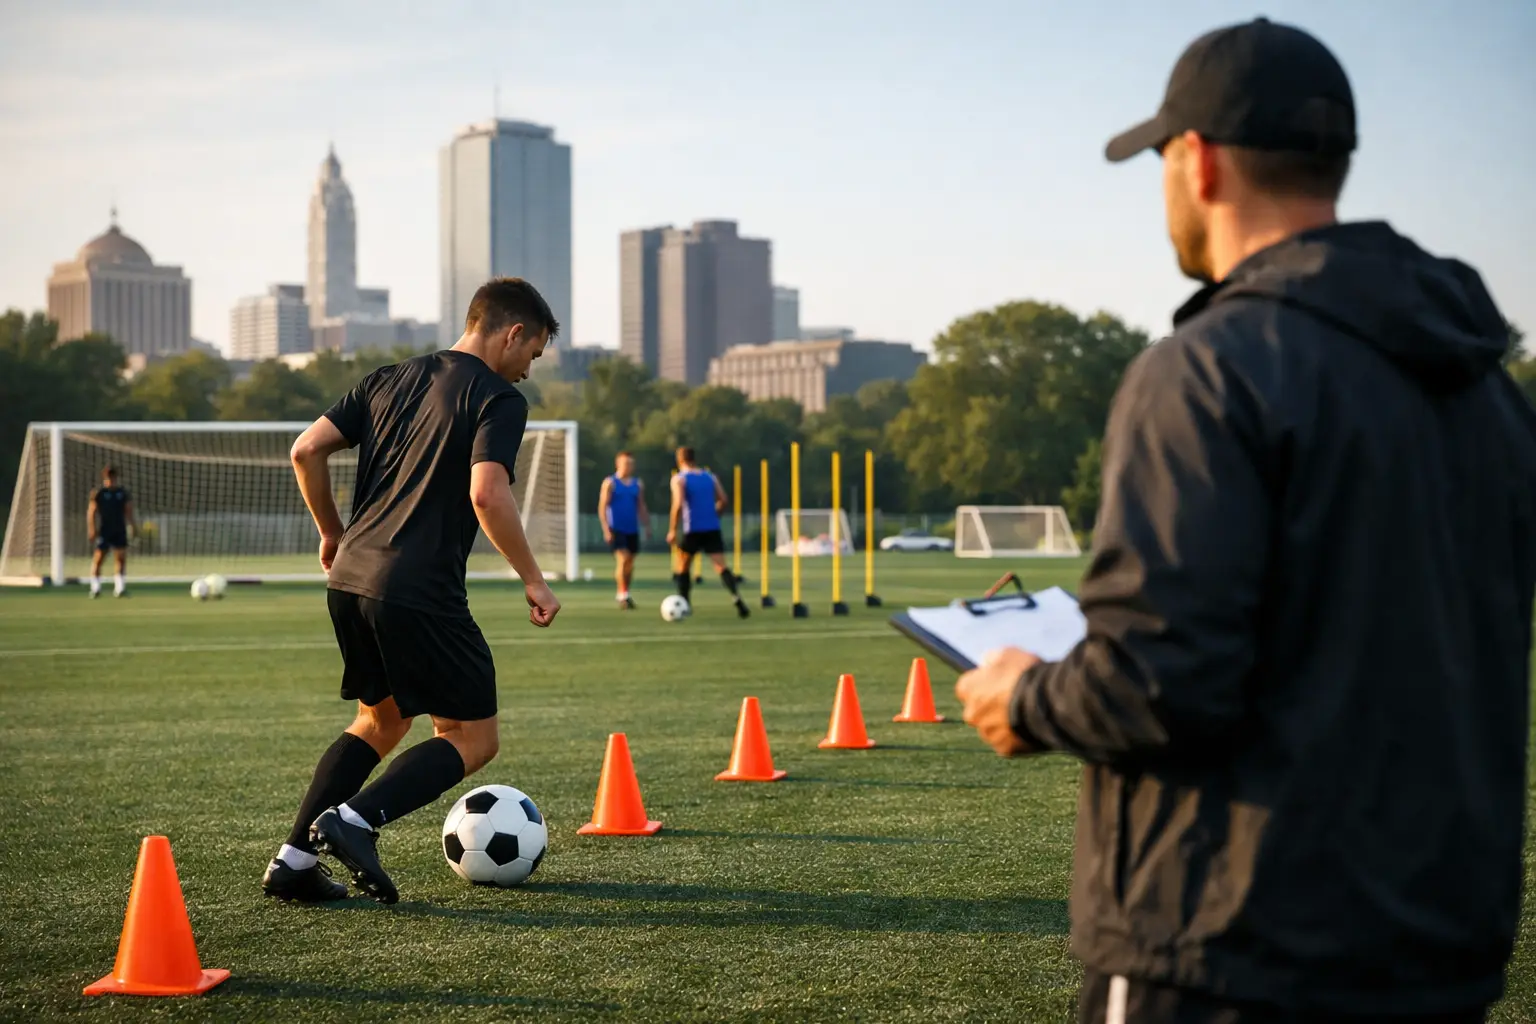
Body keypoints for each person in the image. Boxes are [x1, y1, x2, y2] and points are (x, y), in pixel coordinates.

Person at [954, 18, 1534, 1024]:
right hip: (1438, 950)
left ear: (1199, 160)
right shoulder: (1483, 383)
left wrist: (1028, 694)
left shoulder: (1208, 371)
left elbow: (1159, 680)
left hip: (1232, 952)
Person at [263, 277, 563, 905]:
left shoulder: (386, 379)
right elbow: (488, 493)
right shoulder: (498, 399)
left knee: (380, 720)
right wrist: (533, 578)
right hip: (417, 588)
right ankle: (353, 821)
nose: (528, 371)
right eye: (532, 354)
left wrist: (330, 532)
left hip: (349, 577)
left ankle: (293, 862)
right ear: (512, 333)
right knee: (472, 738)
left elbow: (306, 449)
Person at [666, 447, 748, 619]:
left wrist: (673, 529)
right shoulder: (710, 477)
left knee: (682, 566)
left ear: (679, 460)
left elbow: (678, 504)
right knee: (721, 566)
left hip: (692, 528)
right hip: (712, 527)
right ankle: (737, 598)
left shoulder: (679, 479)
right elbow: (723, 500)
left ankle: (685, 602)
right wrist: (714, 514)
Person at [598, 451, 648, 609]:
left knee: (630, 563)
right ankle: (622, 594)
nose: (629, 466)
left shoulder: (636, 484)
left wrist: (646, 524)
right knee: (623, 559)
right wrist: (606, 528)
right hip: (616, 528)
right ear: (618, 464)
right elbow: (603, 506)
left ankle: (626, 593)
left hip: (632, 528)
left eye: (631, 463)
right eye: (626, 463)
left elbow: (641, 505)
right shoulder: (610, 482)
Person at [86, 465, 134, 598]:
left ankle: (120, 588)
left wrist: (132, 526)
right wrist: (92, 529)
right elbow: (91, 512)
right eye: (108, 478)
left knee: (120, 559)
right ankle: (95, 588)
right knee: (98, 559)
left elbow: (128, 511)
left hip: (119, 530)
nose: (111, 480)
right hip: (104, 531)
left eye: (113, 478)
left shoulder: (122, 493)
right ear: (104, 478)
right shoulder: (99, 493)